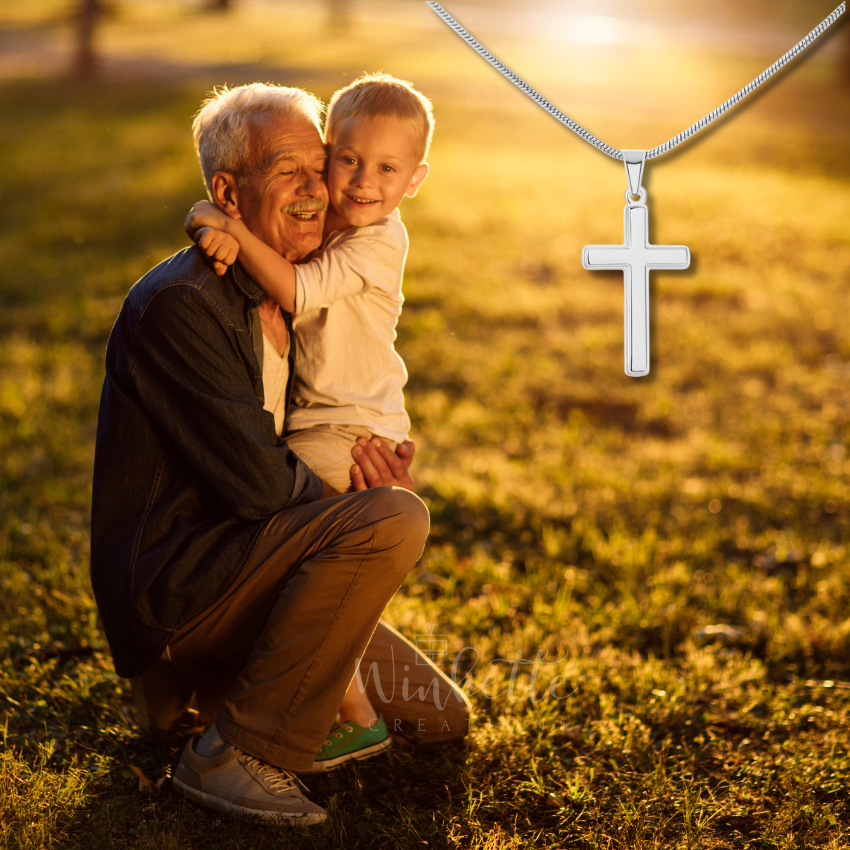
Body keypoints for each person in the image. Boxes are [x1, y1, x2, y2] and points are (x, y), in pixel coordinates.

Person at [90, 82, 470, 827]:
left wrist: (367, 480)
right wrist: (364, 513)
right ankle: (231, 750)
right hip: (184, 585)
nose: (318, 188)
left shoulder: (302, 286)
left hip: (256, 563)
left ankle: (211, 692)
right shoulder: (186, 302)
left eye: (317, 165)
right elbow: (261, 488)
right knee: (395, 522)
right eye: (289, 170)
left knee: (436, 716)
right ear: (228, 190)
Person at [185, 73, 431, 494]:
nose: (364, 181)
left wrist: (231, 229)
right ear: (329, 152)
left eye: (387, 168)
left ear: (414, 180)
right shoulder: (331, 214)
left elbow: (296, 290)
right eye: (348, 160)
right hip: (318, 419)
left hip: (352, 428)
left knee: (277, 488)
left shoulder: (378, 241)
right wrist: (215, 225)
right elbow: (266, 221)